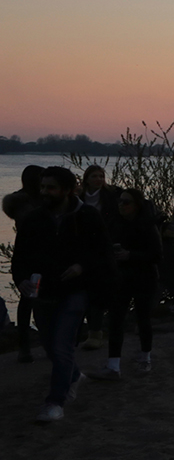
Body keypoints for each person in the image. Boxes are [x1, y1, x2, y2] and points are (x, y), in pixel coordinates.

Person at [12, 166, 113, 422]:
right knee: (50, 347)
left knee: (62, 345)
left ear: (67, 190)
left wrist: (82, 266)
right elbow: (20, 255)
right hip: (43, 292)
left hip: (75, 291)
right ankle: (75, 374)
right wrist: (21, 279)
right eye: (43, 187)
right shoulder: (34, 219)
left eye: (51, 188)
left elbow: (102, 252)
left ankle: (55, 402)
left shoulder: (87, 216)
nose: (45, 192)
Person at [92, 188, 161, 379]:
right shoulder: (114, 223)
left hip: (144, 278)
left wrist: (130, 255)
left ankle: (145, 358)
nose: (121, 205)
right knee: (115, 320)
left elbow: (157, 254)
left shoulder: (147, 225)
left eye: (126, 202)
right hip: (120, 278)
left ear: (137, 205)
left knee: (143, 319)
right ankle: (113, 365)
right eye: (120, 201)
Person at [4, 164, 46, 363]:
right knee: (32, 300)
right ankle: (29, 345)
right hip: (35, 256)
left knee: (29, 300)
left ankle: (26, 346)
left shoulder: (23, 203)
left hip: (30, 255)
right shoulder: (33, 203)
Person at [78, 165, 122, 351]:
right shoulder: (77, 198)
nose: (98, 179)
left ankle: (97, 332)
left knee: (101, 289)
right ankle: (87, 330)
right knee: (84, 290)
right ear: (86, 179)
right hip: (82, 245)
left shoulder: (113, 195)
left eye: (101, 176)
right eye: (94, 176)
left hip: (106, 244)